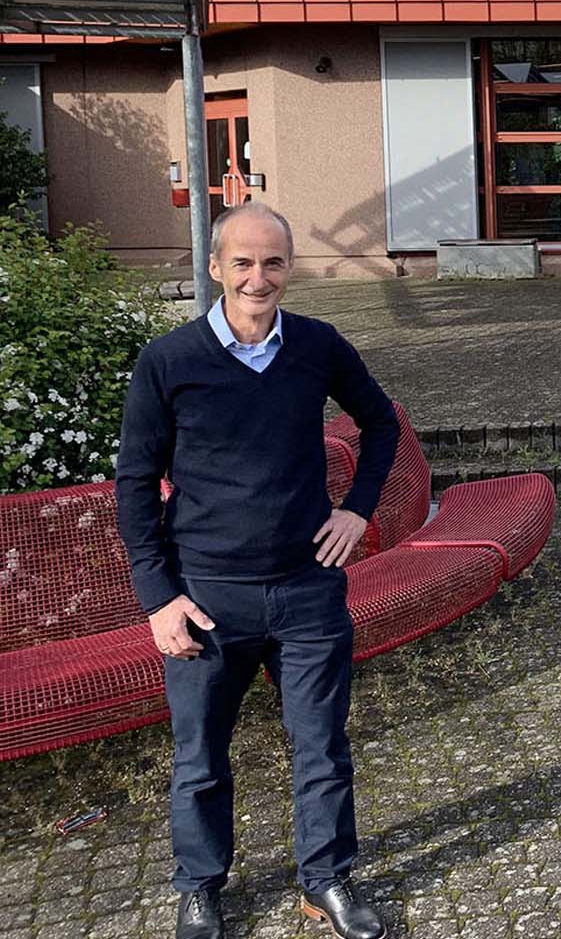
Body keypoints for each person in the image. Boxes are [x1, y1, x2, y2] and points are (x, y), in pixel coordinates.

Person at [115, 202, 400, 939]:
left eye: (273, 262)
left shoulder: (317, 345)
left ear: (290, 266)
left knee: (322, 747)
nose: (258, 277)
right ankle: (200, 887)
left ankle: (325, 879)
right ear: (215, 267)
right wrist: (159, 599)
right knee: (200, 758)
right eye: (242, 262)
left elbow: (381, 422)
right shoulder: (169, 361)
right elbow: (136, 482)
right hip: (207, 597)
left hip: (307, 590)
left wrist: (357, 509)